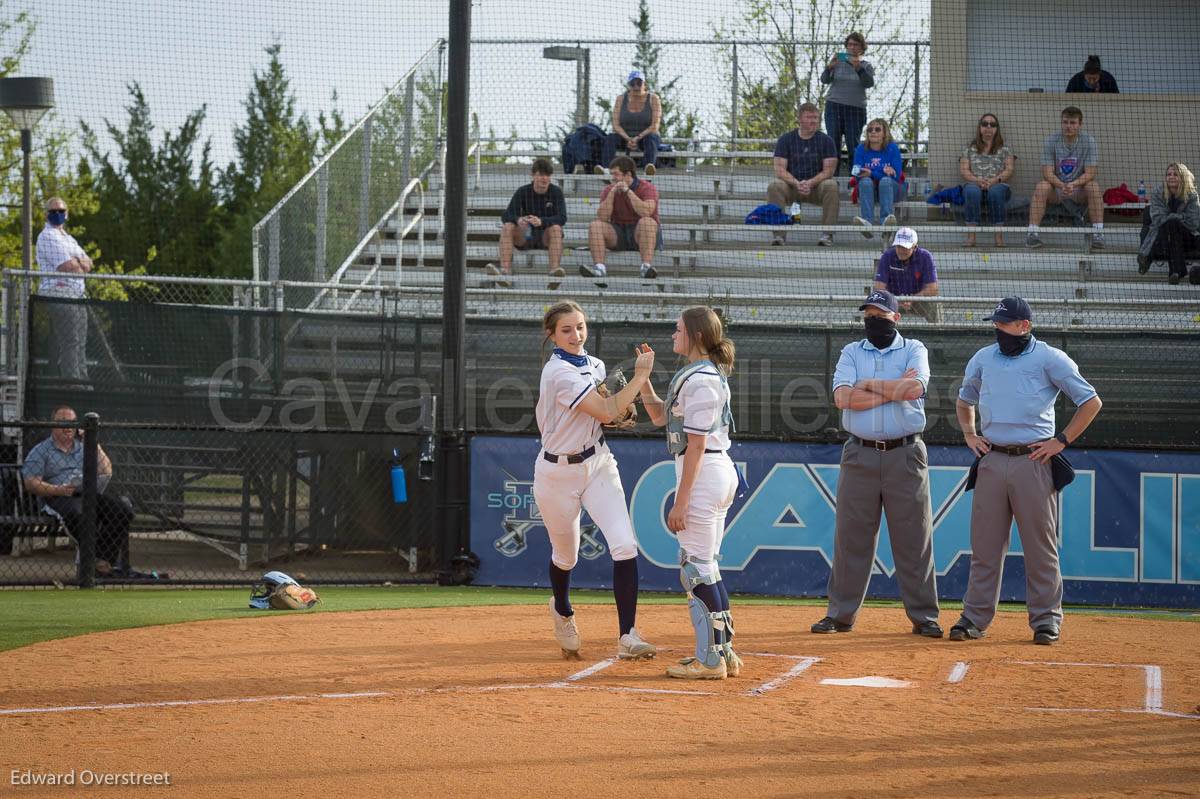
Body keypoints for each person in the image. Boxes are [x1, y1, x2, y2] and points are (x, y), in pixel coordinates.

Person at [952, 297, 1103, 645]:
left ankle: (1046, 621)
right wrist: (970, 434)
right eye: (996, 323)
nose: (998, 330)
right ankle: (973, 618)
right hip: (992, 459)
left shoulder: (1050, 357)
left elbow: (1091, 401)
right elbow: (964, 401)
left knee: (1040, 547)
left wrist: (1061, 441)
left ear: (1024, 326)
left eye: (1005, 324)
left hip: (1034, 460)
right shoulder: (983, 358)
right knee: (985, 548)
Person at [810, 290, 941, 639]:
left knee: (914, 539)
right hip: (860, 453)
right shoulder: (852, 351)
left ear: (896, 317)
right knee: (851, 539)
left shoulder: (915, 348)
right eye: (868, 313)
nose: (873, 319)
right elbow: (842, 398)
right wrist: (891, 389)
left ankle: (925, 617)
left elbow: (915, 390)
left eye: (880, 313)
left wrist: (868, 385)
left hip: (906, 453)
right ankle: (840, 615)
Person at [533, 301, 658, 661]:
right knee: (566, 556)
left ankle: (628, 635)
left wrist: (623, 406)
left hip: (598, 463)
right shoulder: (557, 372)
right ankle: (563, 609)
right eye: (567, 330)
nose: (576, 335)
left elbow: (605, 415)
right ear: (552, 335)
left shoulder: (595, 365)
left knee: (624, 544)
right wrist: (639, 377)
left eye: (581, 327)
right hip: (557, 473)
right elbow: (603, 409)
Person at [637, 307, 742, 679]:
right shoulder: (700, 373)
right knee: (706, 566)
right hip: (714, 470)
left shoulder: (700, 379)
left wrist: (680, 502)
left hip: (704, 472)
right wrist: (644, 381)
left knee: (695, 569)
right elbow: (660, 419)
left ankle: (709, 659)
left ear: (696, 335)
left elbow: (695, 446)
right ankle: (723, 650)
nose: (673, 334)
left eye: (678, 329)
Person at [21, 406, 133, 577]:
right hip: (58, 496)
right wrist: (59, 489)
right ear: (53, 425)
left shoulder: (84, 447)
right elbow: (31, 482)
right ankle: (97, 564)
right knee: (78, 514)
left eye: (72, 423)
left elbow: (106, 471)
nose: (68, 427)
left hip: (85, 493)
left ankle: (100, 559)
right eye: (63, 423)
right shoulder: (41, 451)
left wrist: (92, 441)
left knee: (122, 510)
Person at [1027, 107, 1104, 250]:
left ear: (1080, 124)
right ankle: (1032, 233)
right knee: (1041, 186)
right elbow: (1047, 172)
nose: (1068, 126)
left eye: (1073, 123)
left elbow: (1091, 172)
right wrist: (1062, 185)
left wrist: (1073, 184)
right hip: (1057, 189)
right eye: (1065, 122)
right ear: (1061, 122)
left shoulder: (1089, 141)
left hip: (1079, 189)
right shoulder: (1051, 141)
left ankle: (1098, 234)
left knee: (1093, 186)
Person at [484, 158, 568, 289]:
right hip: (526, 236)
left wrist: (542, 221)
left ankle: (554, 273)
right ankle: (505, 273)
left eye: (547, 175)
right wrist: (518, 220)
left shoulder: (556, 192)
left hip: (546, 237)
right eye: (541, 174)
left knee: (557, 228)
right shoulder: (523, 191)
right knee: (508, 226)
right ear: (533, 175)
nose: (544, 178)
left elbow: (562, 218)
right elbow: (506, 215)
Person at [35, 196, 92, 381]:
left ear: (66, 215)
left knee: (81, 343)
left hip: (78, 294)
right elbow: (66, 266)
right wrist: (77, 262)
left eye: (61, 211)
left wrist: (78, 262)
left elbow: (89, 263)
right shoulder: (47, 236)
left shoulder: (69, 239)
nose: (57, 214)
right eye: (53, 211)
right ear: (46, 214)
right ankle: (73, 382)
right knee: (71, 341)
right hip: (59, 293)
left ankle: (83, 380)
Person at [767, 102, 839, 247]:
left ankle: (827, 234)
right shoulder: (786, 140)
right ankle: (779, 236)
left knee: (831, 185)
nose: (813, 121)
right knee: (774, 185)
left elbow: (829, 171)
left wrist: (810, 183)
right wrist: (796, 183)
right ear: (799, 119)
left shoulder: (827, 141)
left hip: (816, 188)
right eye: (809, 117)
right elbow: (779, 169)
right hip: (792, 187)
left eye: (816, 118)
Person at [583, 156, 661, 282]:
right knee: (596, 225)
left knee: (647, 221)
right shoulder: (608, 190)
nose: (613, 177)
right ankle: (599, 268)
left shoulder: (647, 187)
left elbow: (646, 211)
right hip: (619, 233)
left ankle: (646, 267)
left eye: (616, 174)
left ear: (628, 174)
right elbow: (602, 217)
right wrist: (612, 193)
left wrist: (628, 192)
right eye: (612, 174)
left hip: (643, 234)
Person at [1137, 163, 1200, 285]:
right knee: (1171, 224)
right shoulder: (1158, 193)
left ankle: (1175, 271)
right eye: (1168, 174)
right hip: (1163, 237)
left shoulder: (1192, 195)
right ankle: (1176, 271)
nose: (1171, 177)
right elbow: (1158, 219)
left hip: (1187, 237)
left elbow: (1193, 222)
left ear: (1183, 178)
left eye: (1175, 174)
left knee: (1172, 223)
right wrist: (1179, 218)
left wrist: (1172, 217)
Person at [821, 32, 875, 174]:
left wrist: (858, 68)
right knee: (833, 143)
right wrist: (829, 67)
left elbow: (869, 83)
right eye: (849, 44)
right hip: (834, 107)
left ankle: (854, 178)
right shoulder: (838, 62)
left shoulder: (866, 65)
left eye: (855, 45)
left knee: (854, 145)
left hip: (855, 109)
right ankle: (833, 178)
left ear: (861, 48)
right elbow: (824, 80)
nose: (852, 48)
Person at [959, 113, 1016, 247]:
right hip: (975, 184)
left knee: (995, 192)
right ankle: (971, 237)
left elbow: (1009, 169)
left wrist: (995, 180)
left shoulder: (1005, 149)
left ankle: (998, 237)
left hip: (998, 185)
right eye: (985, 124)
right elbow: (964, 170)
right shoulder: (969, 149)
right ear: (980, 127)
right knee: (971, 192)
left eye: (992, 124)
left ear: (997, 129)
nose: (988, 127)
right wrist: (978, 181)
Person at [599, 70, 663, 177]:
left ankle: (648, 169)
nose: (636, 86)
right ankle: (606, 169)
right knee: (610, 138)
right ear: (629, 85)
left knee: (651, 138)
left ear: (644, 84)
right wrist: (628, 139)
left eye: (639, 83)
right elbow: (616, 125)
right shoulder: (620, 99)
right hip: (625, 137)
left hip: (645, 136)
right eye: (633, 84)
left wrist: (637, 138)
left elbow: (655, 126)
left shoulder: (653, 99)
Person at [873, 227, 941, 324]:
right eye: (898, 246)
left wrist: (913, 299)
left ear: (914, 247)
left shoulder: (925, 257)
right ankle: (878, 335)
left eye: (905, 247)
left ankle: (937, 332)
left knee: (934, 303)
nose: (901, 250)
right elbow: (879, 288)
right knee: (877, 301)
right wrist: (896, 300)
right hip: (892, 301)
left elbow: (933, 289)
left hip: (919, 301)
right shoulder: (887, 256)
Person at [851, 117, 903, 236]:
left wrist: (872, 173)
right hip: (870, 189)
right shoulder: (861, 148)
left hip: (892, 189)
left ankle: (886, 222)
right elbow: (855, 172)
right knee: (865, 182)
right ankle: (867, 223)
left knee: (885, 181)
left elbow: (897, 176)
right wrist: (881, 171)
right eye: (870, 129)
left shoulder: (892, 148)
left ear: (885, 133)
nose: (873, 132)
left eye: (877, 129)